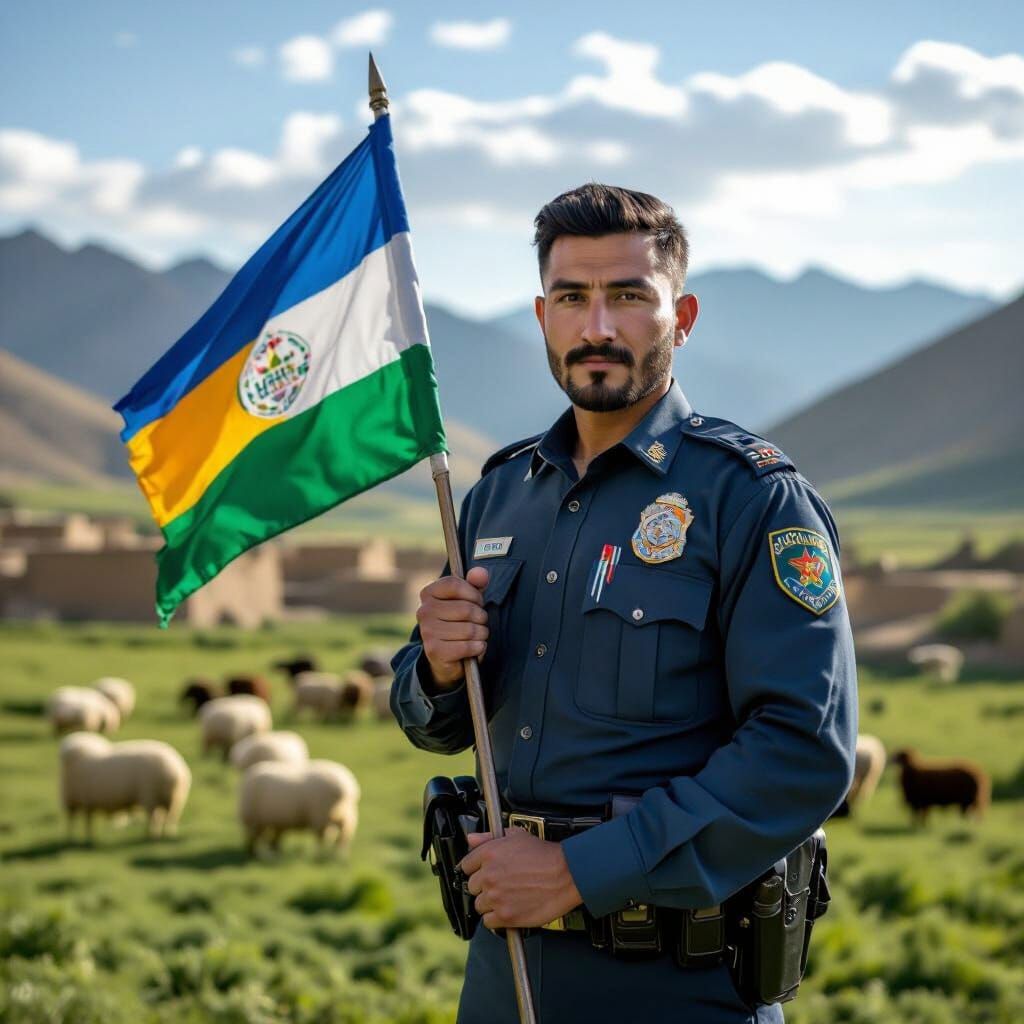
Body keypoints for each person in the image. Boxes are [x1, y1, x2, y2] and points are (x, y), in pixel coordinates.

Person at [390, 184, 857, 1023]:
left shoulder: (748, 498)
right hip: (506, 979)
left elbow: (803, 749)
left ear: (681, 316)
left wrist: (577, 872)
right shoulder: (498, 497)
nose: (596, 327)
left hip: (677, 986)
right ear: (541, 315)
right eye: (572, 297)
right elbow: (435, 723)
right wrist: (431, 665)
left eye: (629, 297)